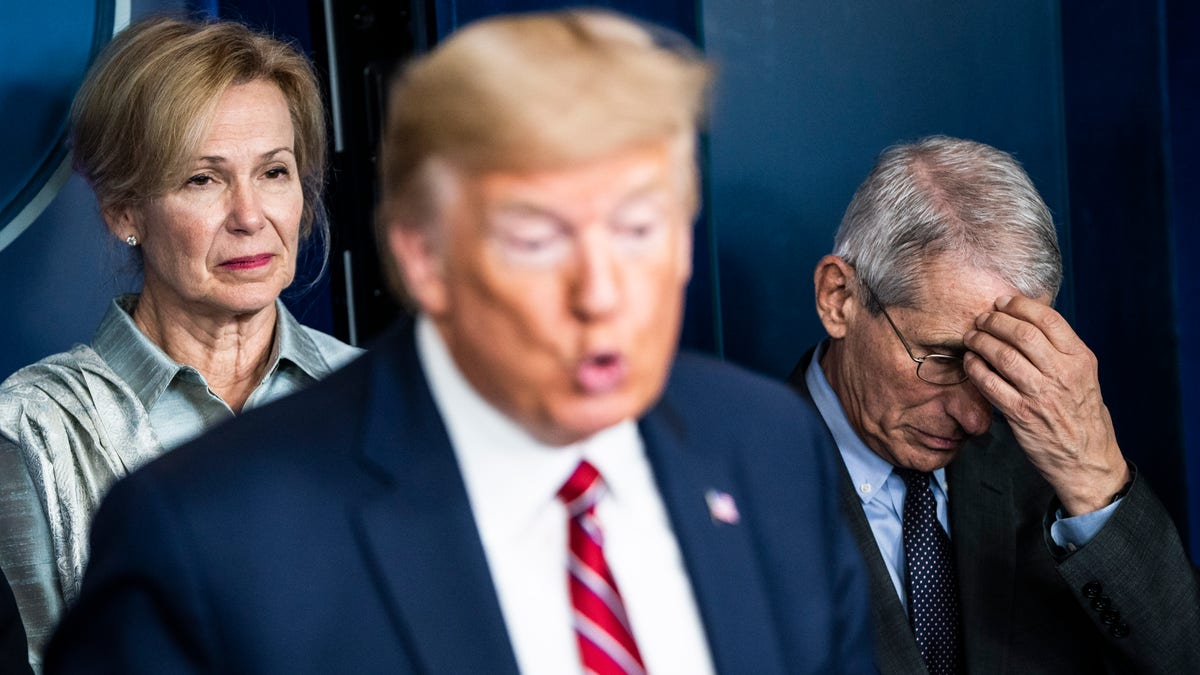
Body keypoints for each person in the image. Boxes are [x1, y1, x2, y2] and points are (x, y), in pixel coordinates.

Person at [44, 10, 874, 674]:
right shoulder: (207, 532)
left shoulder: (770, 450)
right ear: (422, 254)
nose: (601, 292)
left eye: (640, 227)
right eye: (537, 240)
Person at [0, 16, 361, 669]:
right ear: (124, 210)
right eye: (203, 179)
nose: (250, 216)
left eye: (274, 172)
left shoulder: (377, 397)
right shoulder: (31, 429)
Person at [787, 135, 1200, 674]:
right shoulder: (736, 479)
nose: (977, 418)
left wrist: (1094, 475)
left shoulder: (1051, 478)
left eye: (1002, 365)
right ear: (838, 297)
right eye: (942, 356)